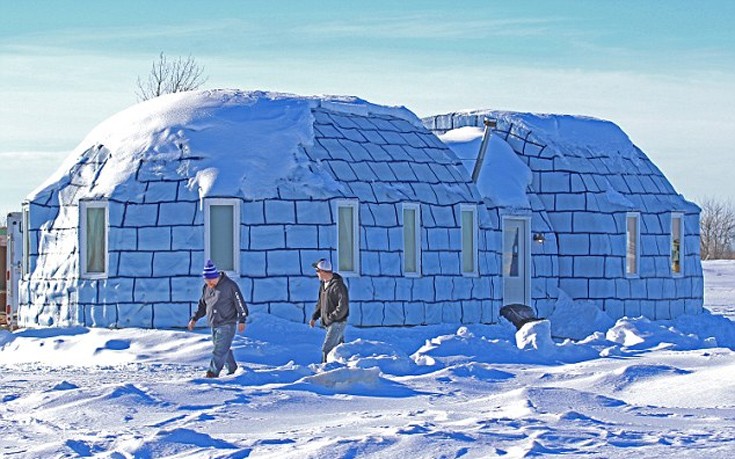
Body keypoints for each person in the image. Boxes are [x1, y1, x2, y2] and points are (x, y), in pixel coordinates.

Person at [188, 259, 249, 378]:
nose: (209, 282)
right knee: (222, 348)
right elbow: (202, 305)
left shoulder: (230, 286)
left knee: (219, 350)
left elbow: (240, 303)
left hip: (227, 323)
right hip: (214, 324)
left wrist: (242, 320)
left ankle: (212, 373)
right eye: (206, 280)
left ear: (216, 276)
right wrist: (194, 318)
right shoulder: (207, 288)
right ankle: (234, 370)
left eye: (211, 280)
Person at [309, 258, 349, 363]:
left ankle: (325, 371)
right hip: (330, 323)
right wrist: (314, 317)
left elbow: (343, 306)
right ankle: (345, 369)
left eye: (317, 271)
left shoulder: (338, 286)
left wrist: (331, 318)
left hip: (337, 323)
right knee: (339, 349)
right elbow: (320, 303)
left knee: (327, 349)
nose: (316, 273)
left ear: (323, 272)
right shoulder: (323, 285)